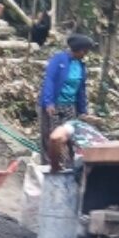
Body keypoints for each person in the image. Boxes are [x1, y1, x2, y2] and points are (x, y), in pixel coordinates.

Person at [38, 34, 96, 164]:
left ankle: (69, 165)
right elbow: (49, 80)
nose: (85, 54)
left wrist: (82, 111)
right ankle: (49, 166)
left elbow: (81, 89)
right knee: (51, 137)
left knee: (69, 137)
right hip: (53, 105)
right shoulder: (59, 60)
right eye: (84, 51)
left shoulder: (81, 65)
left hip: (69, 106)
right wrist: (48, 102)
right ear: (78, 49)